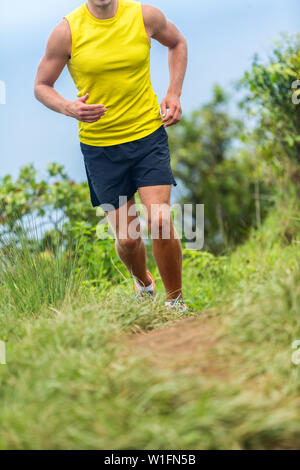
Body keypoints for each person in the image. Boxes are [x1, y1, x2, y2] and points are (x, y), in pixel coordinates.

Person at [34, 0, 188, 309]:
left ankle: (176, 303)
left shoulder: (144, 15)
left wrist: (173, 92)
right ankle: (144, 284)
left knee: (159, 219)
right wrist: (69, 107)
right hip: (101, 148)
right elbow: (41, 85)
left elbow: (177, 43)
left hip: (147, 135)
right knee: (129, 239)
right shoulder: (67, 32)